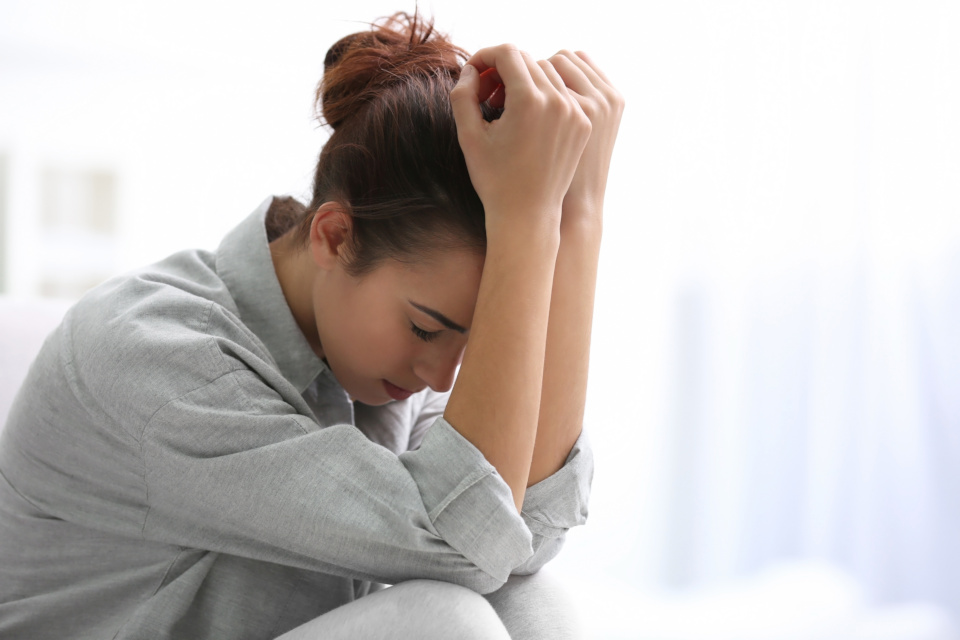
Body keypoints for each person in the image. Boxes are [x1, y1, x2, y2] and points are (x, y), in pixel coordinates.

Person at [0, 11, 623, 640]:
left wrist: (578, 221)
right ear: (334, 235)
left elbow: (519, 541)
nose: (442, 375)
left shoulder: (376, 352)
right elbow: (469, 543)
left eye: (469, 341)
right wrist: (528, 218)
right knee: (441, 621)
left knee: (530, 606)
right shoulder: (158, 358)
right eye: (428, 330)